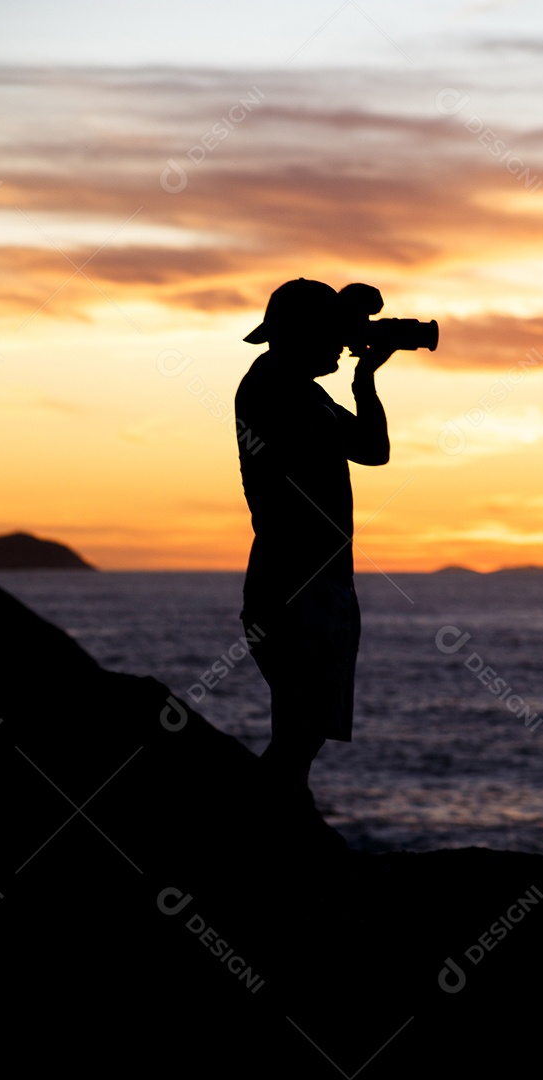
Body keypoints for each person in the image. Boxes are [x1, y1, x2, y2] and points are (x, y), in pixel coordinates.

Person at [235, 278, 393, 795]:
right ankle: (272, 841)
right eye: (332, 335)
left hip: (316, 581)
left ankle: (278, 837)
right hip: (293, 583)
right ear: (303, 334)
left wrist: (364, 380)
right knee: (298, 734)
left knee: (303, 734)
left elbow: (373, 450)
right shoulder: (271, 387)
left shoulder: (304, 390)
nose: (342, 346)